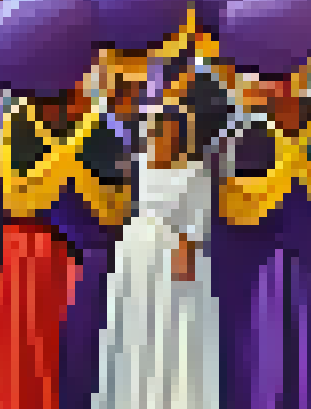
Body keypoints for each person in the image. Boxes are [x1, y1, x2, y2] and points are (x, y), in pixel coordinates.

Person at [0, 79, 129, 409]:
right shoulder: (102, 129)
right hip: (67, 261)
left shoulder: (13, 123)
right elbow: (121, 209)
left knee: (31, 358)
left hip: (34, 259)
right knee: (63, 359)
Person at [209, 68, 311, 409]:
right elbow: (236, 205)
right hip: (254, 264)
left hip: (291, 259)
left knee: (286, 350)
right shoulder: (239, 135)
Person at [95, 103, 217, 408]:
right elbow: (125, 207)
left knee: (170, 331)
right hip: (136, 256)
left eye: (167, 131)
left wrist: (186, 255)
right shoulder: (139, 165)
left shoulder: (195, 170)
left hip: (171, 257)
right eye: (155, 131)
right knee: (135, 329)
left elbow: (197, 224)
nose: (159, 138)